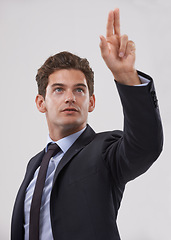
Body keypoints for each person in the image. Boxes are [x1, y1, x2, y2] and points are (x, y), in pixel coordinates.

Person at [11, 8, 163, 240]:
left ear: (91, 102)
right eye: (59, 89)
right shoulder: (34, 165)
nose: (70, 97)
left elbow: (145, 145)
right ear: (41, 103)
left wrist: (126, 76)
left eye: (79, 90)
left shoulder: (105, 150)